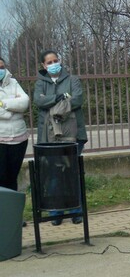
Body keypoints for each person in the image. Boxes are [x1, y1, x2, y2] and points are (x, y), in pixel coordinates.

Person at [34, 50, 87, 225]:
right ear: (43, 65)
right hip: (49, 137)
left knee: (72, 172)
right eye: (49, 62)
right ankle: (56, 211)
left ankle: (75, 210)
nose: (53, 64)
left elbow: (77, 99)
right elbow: (38, 101)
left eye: (55, 60)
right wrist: (61, 97)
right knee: (54, 173)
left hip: (73, 134)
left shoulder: (73, 80)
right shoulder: (40, 83)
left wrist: (51, 102)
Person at [0, 56, 30, 197]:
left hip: (19, 138)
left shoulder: (13, 82)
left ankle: (12, 210)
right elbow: (16, 107)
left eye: (2, 67)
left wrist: (4, 103)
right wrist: (13, 108)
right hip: (1, 139)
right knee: (1, 178)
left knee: (12, 178)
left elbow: (24, 103)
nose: (0, 70)